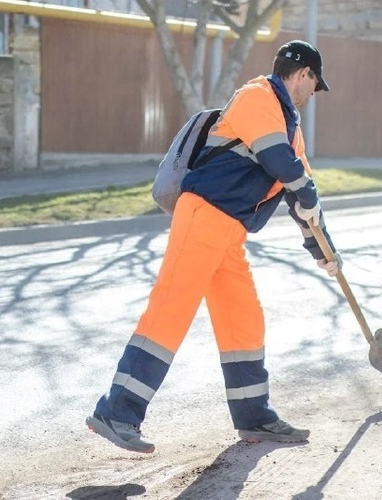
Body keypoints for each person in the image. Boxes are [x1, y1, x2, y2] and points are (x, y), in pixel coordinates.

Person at [86, 40, 340, 453]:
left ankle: (254, 416)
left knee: (244, 319)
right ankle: (117, 412)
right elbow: (280, 163)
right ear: (303, 74)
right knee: (170, 311)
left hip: (229, 233)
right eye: (315, 83)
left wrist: (324, 251)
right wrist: (305, 190)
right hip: (204, 216)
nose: (314, 93)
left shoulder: (290, 126)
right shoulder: (258, 96)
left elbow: (303, 199)